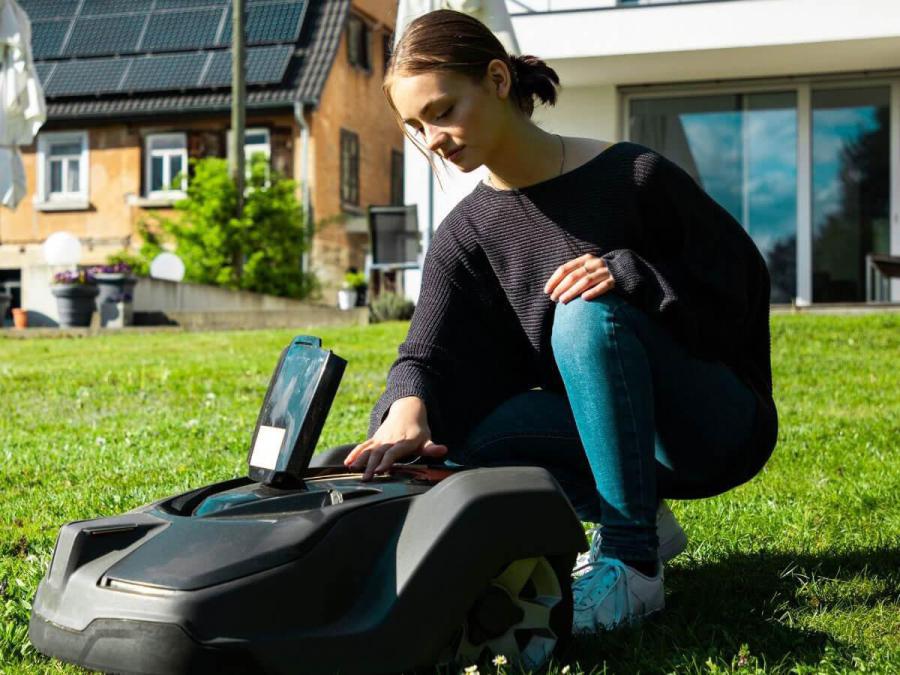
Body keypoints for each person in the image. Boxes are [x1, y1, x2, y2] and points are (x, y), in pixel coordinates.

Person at [343, 9, 778, 636]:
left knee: (582, 313)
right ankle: (641, 514)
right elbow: (426, 352)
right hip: (619, 441)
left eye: (440, 111)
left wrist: (628, 275)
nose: (432, 138)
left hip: (715, 428)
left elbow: (737, 283)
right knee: (463, 438)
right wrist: (408, 406)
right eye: (416, 126)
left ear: (497, 79)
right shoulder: (466, 233)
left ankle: (632, 563)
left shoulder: (634, 175)